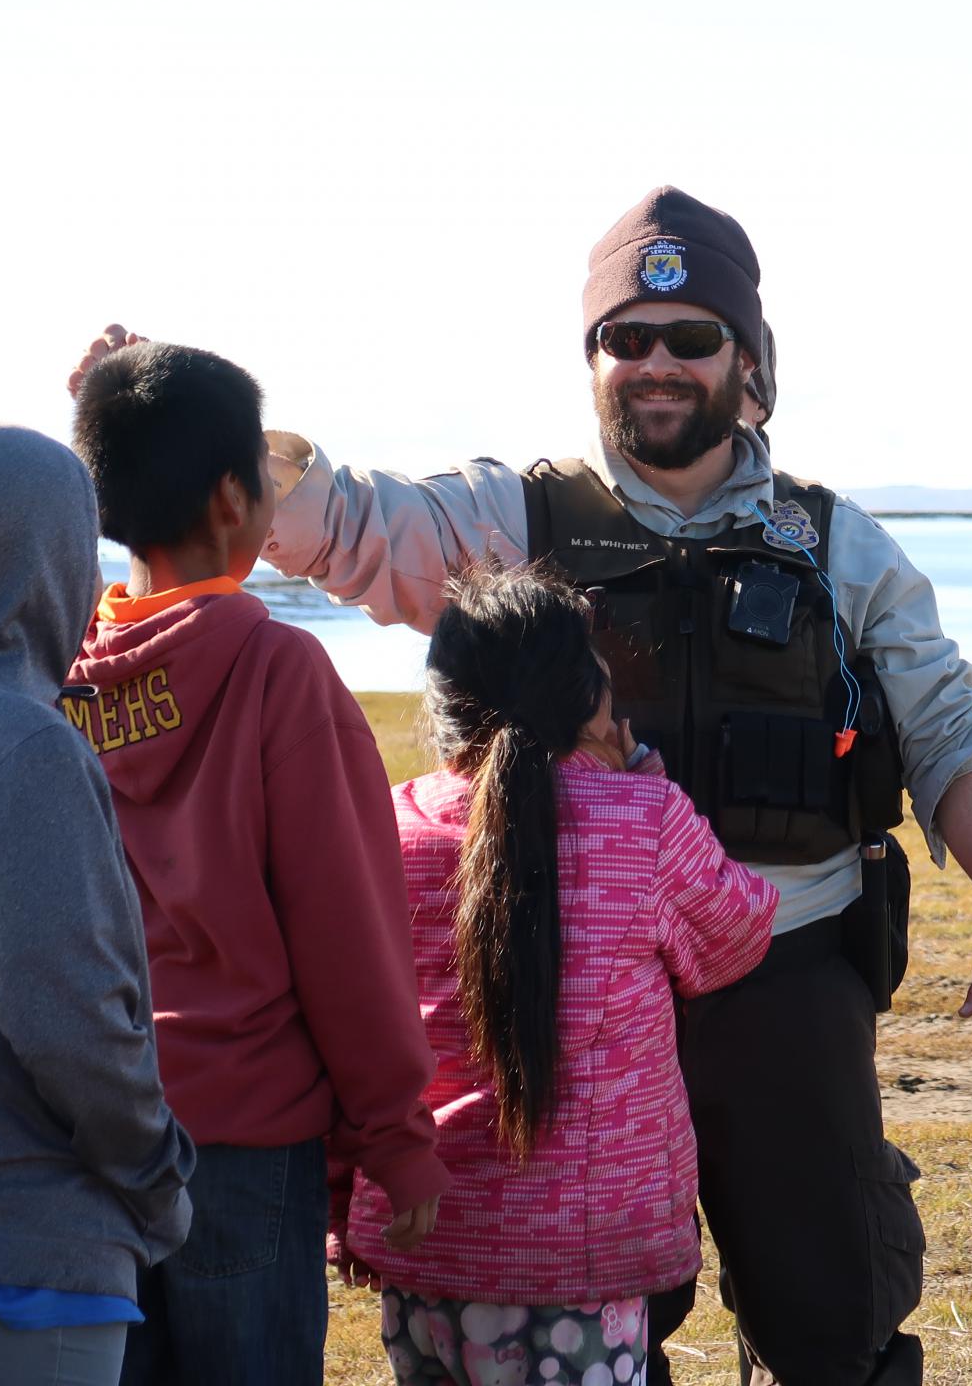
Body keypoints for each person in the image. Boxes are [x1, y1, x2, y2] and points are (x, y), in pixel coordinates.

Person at [69, 186, 972, 1386]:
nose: (654, 362)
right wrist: (167, 420)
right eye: (624, 338)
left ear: (746, 359)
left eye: (689, 336)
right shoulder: (513, 518)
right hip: (551, 986)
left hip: (783, 978)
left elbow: (950, 731)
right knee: (565, 1313)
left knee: (830, 1318)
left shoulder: (838, 548)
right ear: (593, 357)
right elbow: (346, 523)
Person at [66, 344, 449, 1386]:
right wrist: (394, 1131)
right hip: (239, 1149)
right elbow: (347, 929)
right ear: (236, 499)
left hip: (87, 1134)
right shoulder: (279, 671)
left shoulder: (60, 674)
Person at [335, 562, 778, 1385]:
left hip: (422, 1235)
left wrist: (342, 1209)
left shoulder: (388, 826)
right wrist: (642, 771)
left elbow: (343, 1028)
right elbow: (737, 938)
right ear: (589, 696)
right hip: (587, 1259)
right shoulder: (644, 821)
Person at [0, 418, 196, 1386]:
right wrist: (159, 1177)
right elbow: (72, 1021)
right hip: (19, 1272)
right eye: (80, 547)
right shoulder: (20, 745)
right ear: (32, 557)